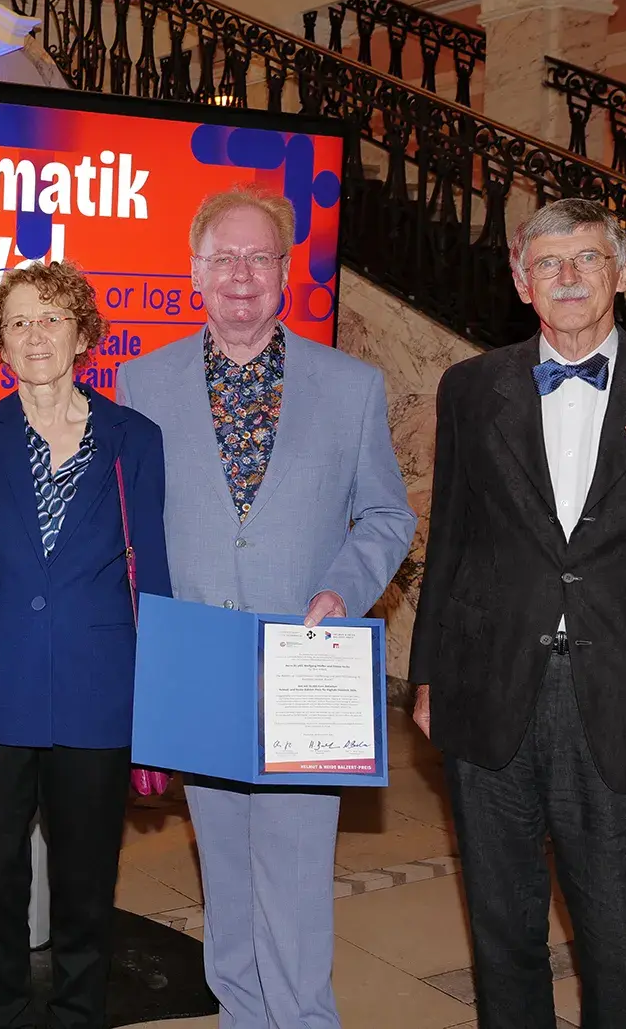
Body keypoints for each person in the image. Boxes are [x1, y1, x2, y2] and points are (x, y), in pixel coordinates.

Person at [410, 198, 626, 1029]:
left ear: (624, 273)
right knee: (502, 928)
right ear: (522, 280)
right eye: (549, 262)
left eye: (588, 259)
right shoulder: (472, 386)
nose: (568, 277)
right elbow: (450, 540)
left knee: (623, 937)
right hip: (490, 685)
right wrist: (427, 676)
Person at [118, 186, 415, 1029]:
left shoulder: (350, 385)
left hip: (304, 665)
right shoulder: (142, 384)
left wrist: (345, 587)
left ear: (285, 272)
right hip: (199, 663)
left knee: (293, 875)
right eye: (224, 258)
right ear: (195, 270)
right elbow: (132, 521)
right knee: (228, 875)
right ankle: (242, 1015)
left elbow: (389, 513)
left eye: (259, 258)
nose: (241, 275)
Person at [0, 260, 172, 1029]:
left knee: (86, 884)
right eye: (18, 322)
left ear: (82, 332)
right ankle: (1, 1016)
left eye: (51, 318)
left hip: (98, 692)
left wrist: (158, 705)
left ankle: (80, 1015)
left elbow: (157, 578)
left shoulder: (133, 438)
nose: (35, 334)